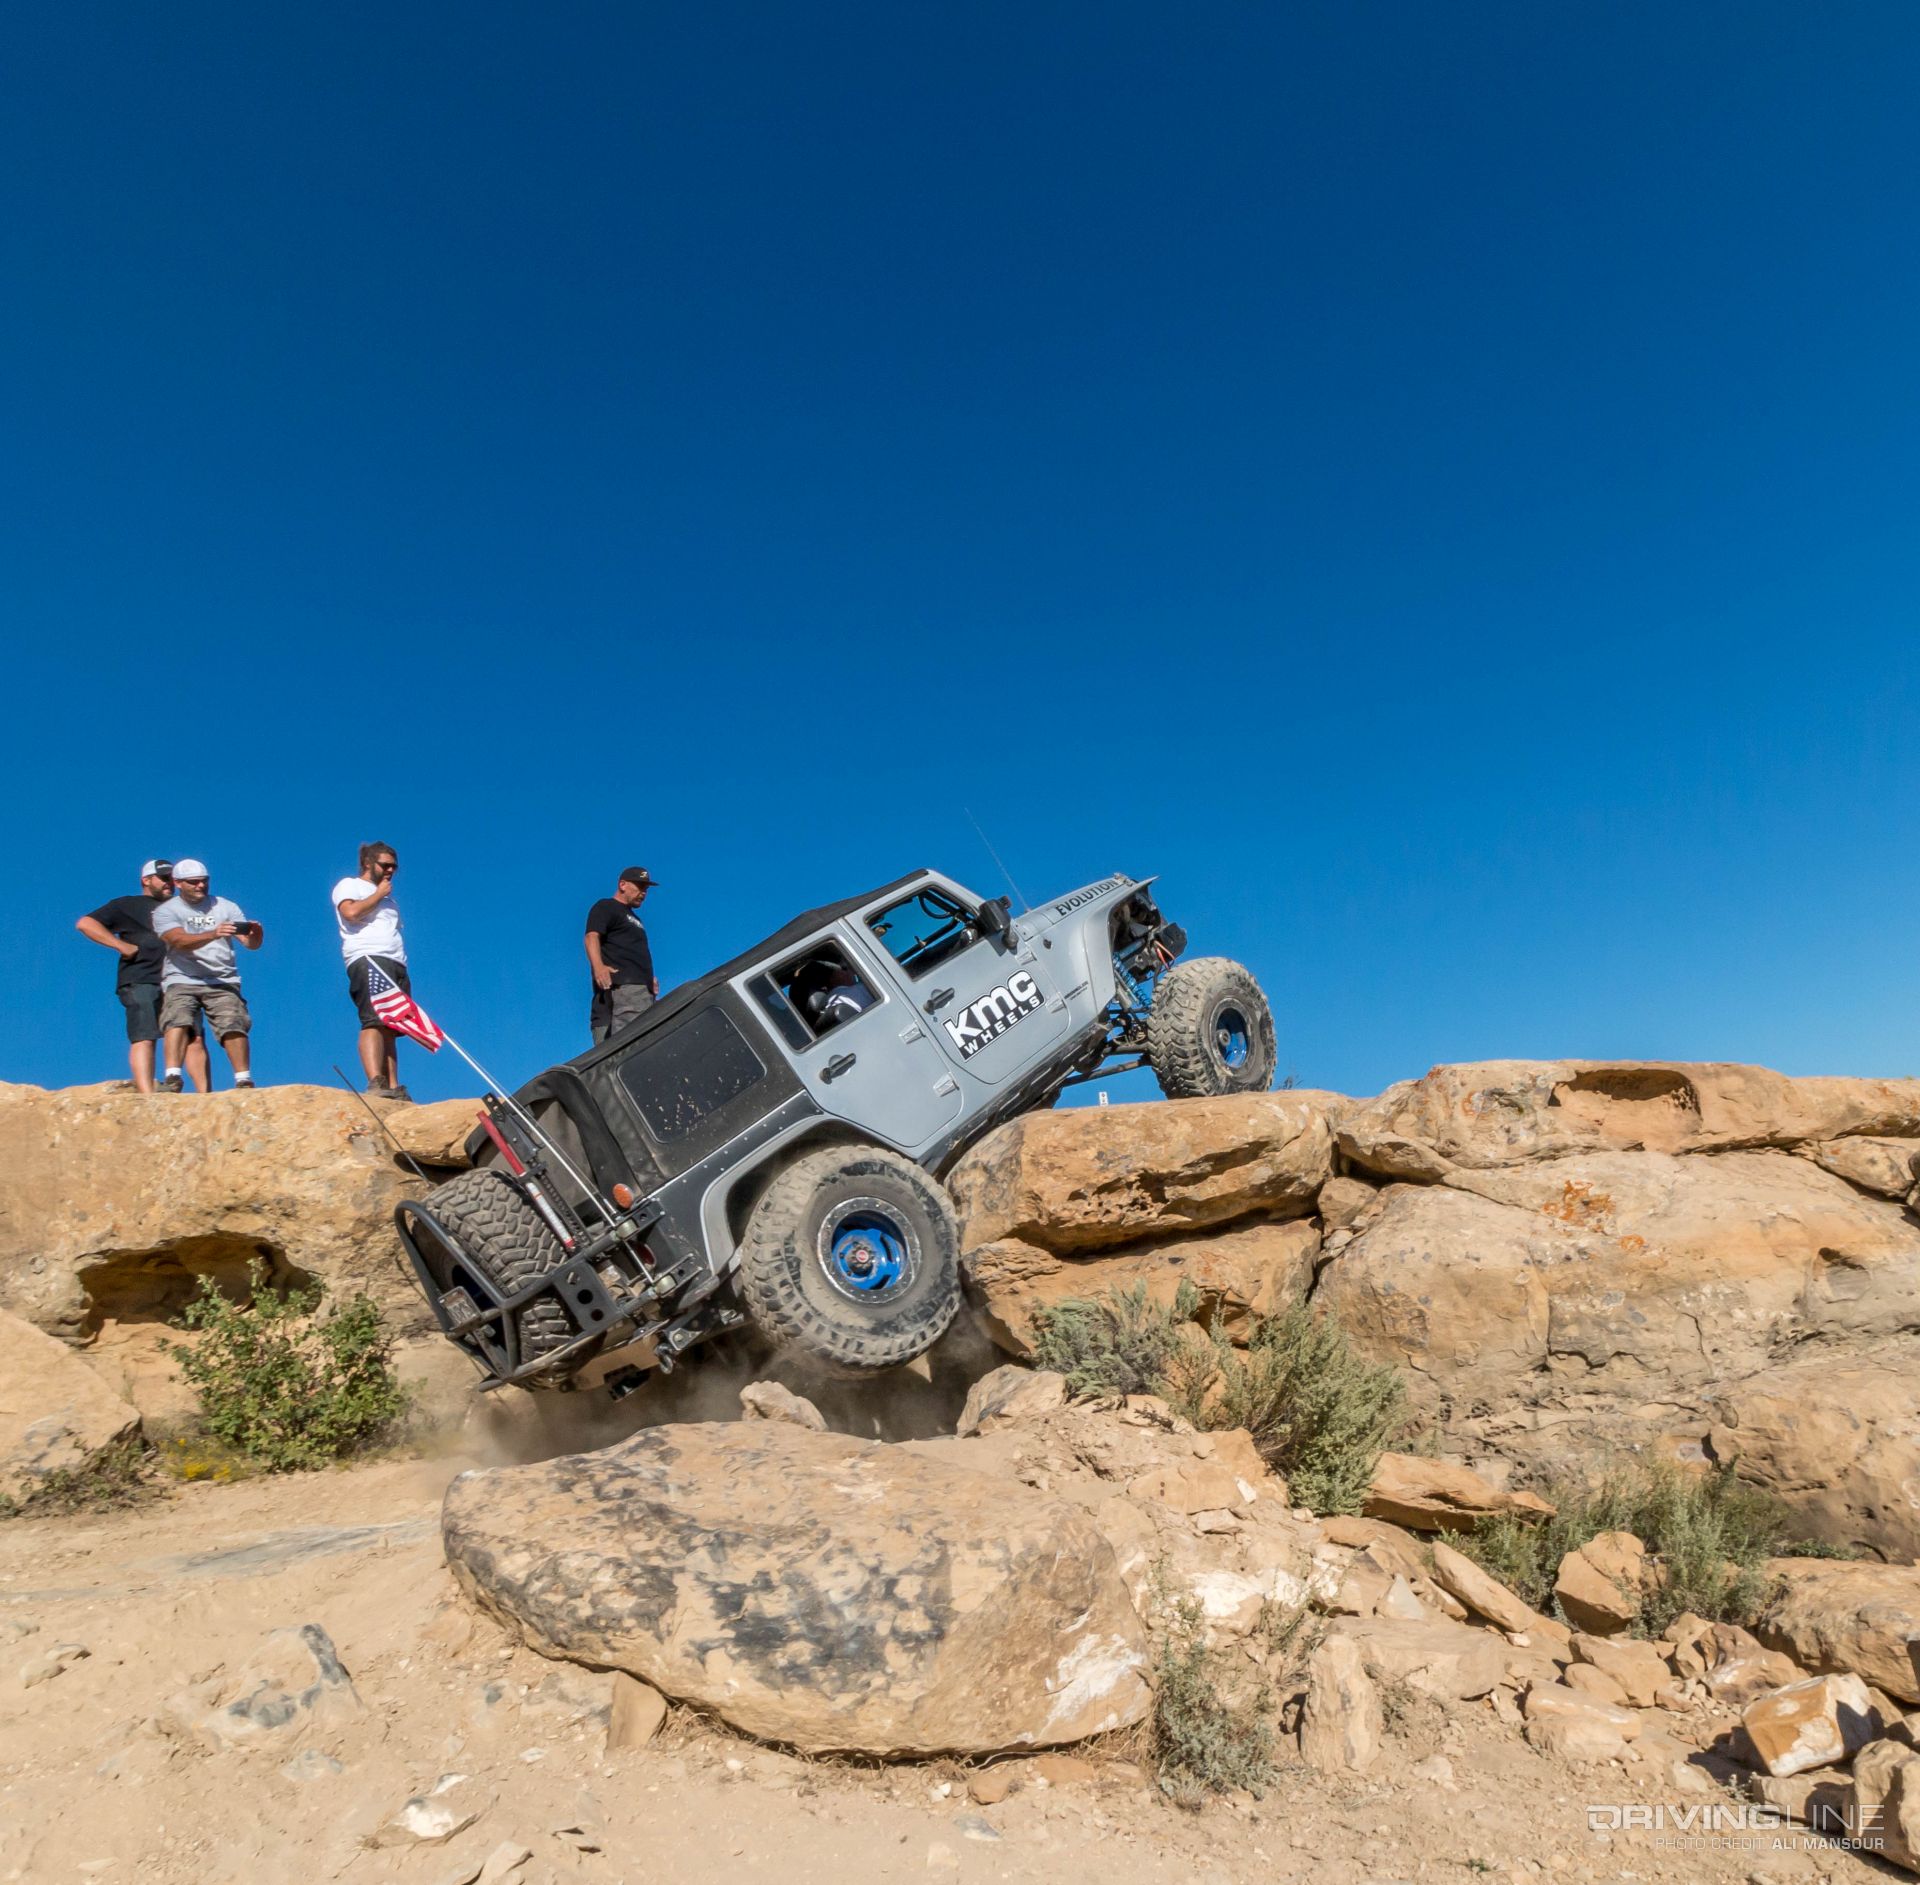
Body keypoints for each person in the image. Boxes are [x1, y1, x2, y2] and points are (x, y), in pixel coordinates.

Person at [74, 859, 210, 1094]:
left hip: (182, 980)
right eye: (164, 878)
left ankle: (205, 1095)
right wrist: (120, 945)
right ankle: (147, 1096)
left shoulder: (184, 906)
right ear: (146, 880)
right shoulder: (127, 905)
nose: (169, 883)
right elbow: (86, 923)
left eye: (172, 878)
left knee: (192, 1036)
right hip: (141, 977)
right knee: (145, 1035)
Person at [154, 859, 265, 1091]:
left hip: (222, 979)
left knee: (233, 1023)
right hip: (182, 977)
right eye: (193, 882)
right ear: (178, 883)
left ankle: (243, 1079)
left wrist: (255, 935)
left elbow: (250, 944)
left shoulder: (225, 906)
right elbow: (178, 940)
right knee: (177, 1019)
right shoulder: (166, 911)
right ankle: (173, 1076)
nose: (200, 886)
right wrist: (213, 933)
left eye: (204, 881)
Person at [333, 841, 414, 1101]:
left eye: (394, 866)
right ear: (368, 863)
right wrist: (379, 894)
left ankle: (393, 1085)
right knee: (373, 1020)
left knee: (392, 1024)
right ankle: (375, 1081)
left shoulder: (391, 901)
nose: (390, 870)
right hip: (367, 956)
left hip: (395, 961)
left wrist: (383, 895)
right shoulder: (350, 885)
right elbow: (351, 912)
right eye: (385, 865)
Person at [585, 867, 661, 1044]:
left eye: (646, 889)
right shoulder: (606, 907)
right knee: (631, 1047)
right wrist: (599, 968)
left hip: (639, 992)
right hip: (624, 991)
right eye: (640, 886)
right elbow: (591, 936)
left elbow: (630, 952)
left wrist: (649, 978)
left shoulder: (636, 919)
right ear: (622, 884)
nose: (643, 893)